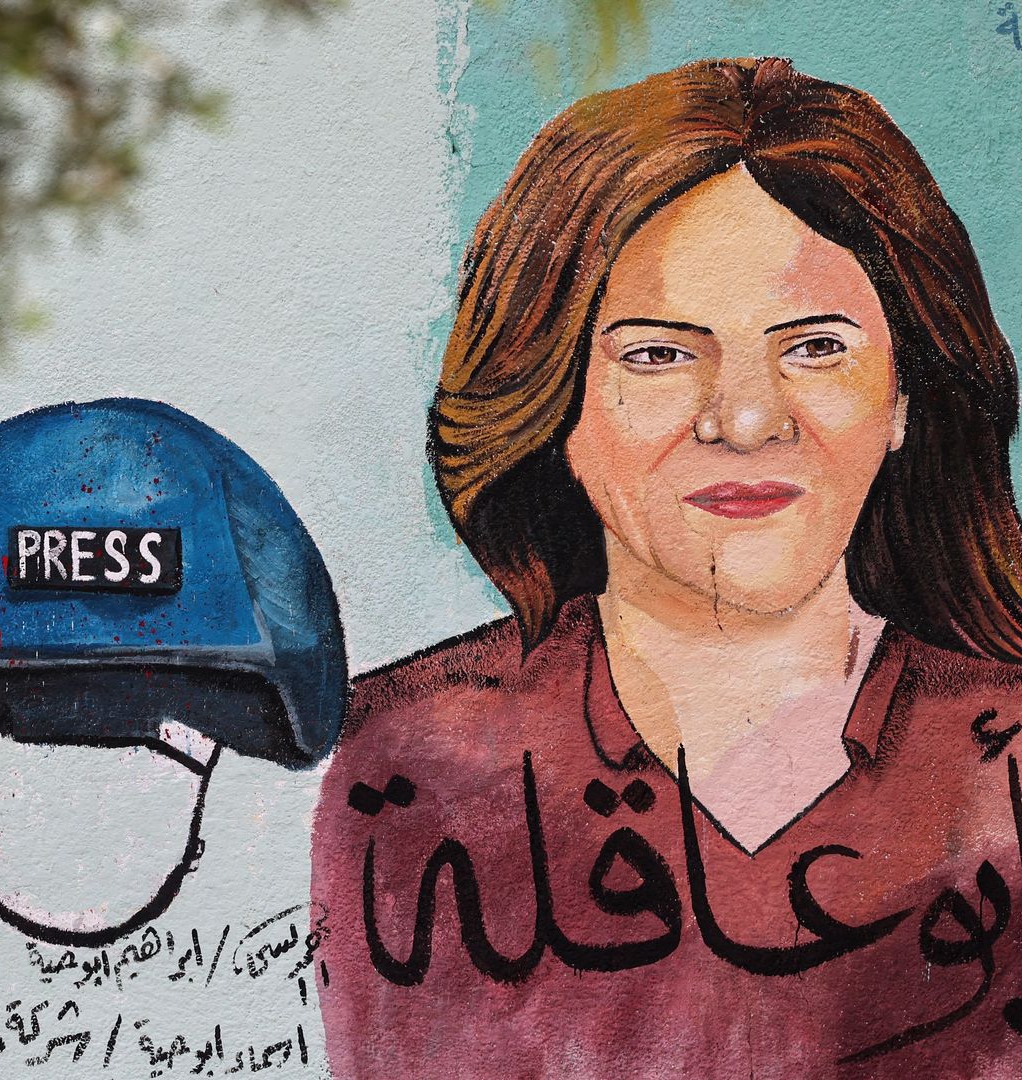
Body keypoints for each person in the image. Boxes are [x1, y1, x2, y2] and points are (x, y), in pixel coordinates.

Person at [312, 58, 1022, 1075]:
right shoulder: (408, 762)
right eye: (659, 354)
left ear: (906, 394)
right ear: (554, 400)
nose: (746, 419)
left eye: (816, 347)